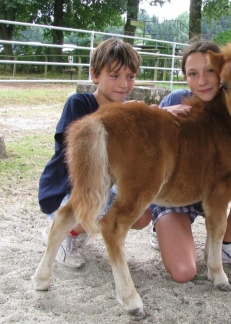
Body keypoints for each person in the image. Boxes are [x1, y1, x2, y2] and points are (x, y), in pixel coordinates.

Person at [149, 41, 231, 283]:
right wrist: (157, 112)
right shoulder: (177, 98)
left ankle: (228, 243)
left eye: (209, 72)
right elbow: (148, 143)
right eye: (193, 74)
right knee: (184, 271)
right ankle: (160, 226)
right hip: (177, 193)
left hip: (213, 187)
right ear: (185, 77)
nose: (202, 81)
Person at [38, 38, 152, 268]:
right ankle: (60, 233)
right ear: (95, 74)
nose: (123, 84)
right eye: (114, 75)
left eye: (130, 76)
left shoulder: (128, 112)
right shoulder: (79, 103)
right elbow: (80, 149)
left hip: (101, 186)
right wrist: (119, 117)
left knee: (143, 216)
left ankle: (74, 230)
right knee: (95, 202)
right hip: (68, 188)